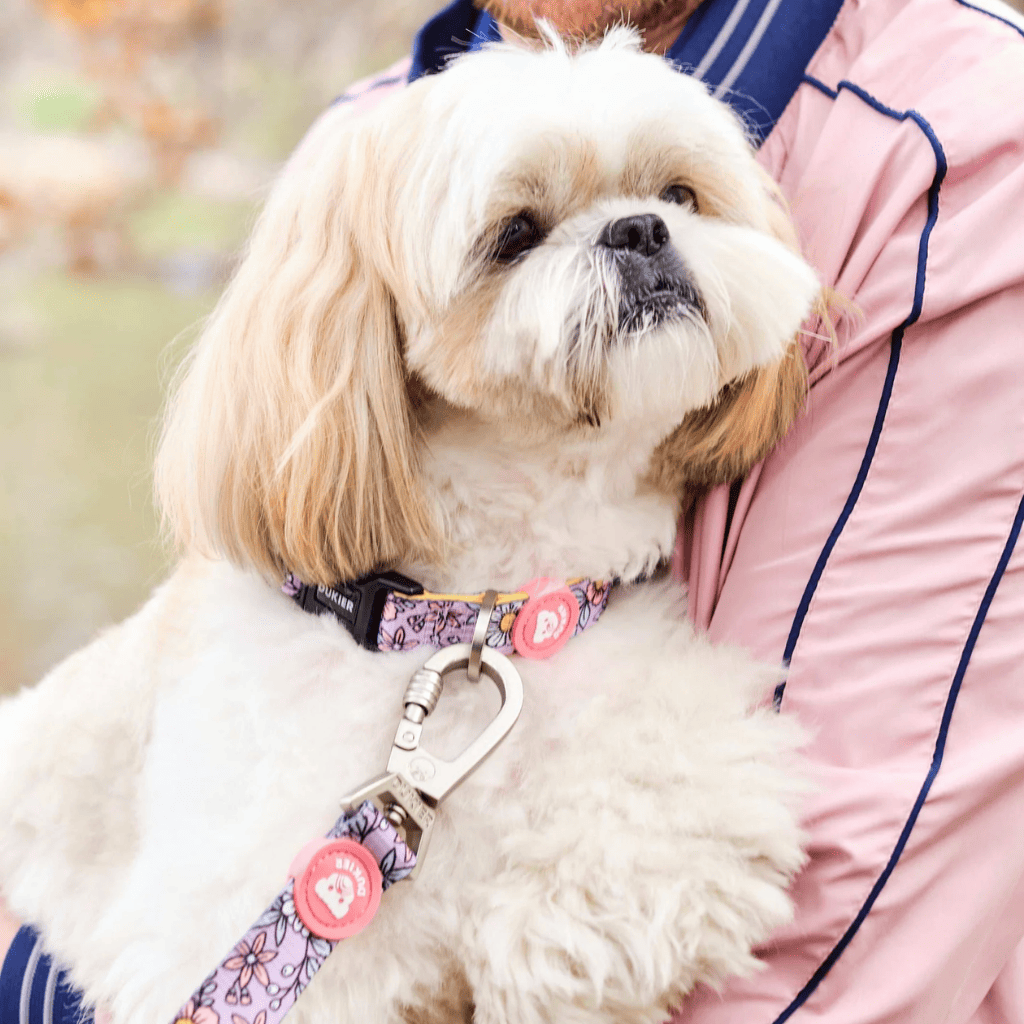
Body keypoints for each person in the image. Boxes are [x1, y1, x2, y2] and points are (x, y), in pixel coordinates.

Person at [4, 0, 1024, 1021]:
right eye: (518, 236)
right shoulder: (366, 143)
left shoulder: (963, 151)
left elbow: (832, 959)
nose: (640, 238)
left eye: (676, 195)